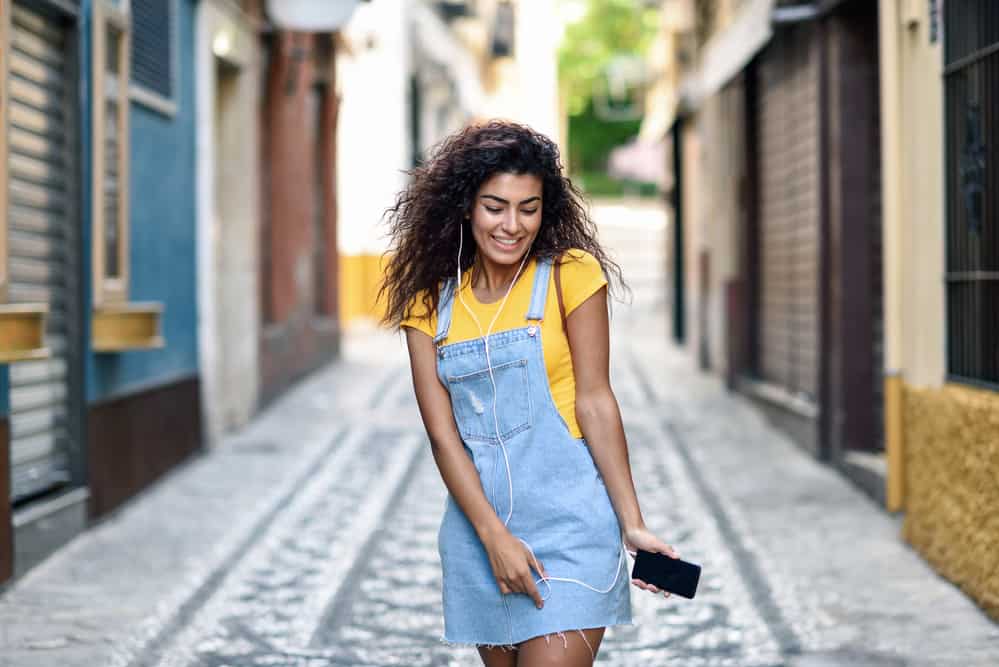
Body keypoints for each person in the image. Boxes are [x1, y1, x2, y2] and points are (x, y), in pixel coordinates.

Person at [380, 120, 678, 666]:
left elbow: (595, 401)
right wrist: (494, 539)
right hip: (479, 536)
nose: (512, 225)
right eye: (495, 207)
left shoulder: (571, 274)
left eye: (529, 207)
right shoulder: (429, 303)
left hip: (573, 527)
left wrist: (632, 522)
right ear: (466, 207)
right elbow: (444, 440)